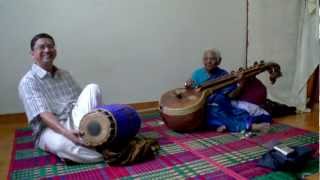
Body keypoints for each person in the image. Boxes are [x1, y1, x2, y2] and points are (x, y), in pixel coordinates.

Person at [18, 33, 104, 163]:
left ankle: (86, 146)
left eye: (50, 46)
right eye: (42, 47)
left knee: (93, 88)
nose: (47, 50)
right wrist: (66, 133)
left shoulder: (65, 74)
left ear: (55, 50)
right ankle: (106, 153)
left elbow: (81, 102)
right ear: (32, 53)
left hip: (74, 118)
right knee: (61, 145)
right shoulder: (28, 81)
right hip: (48, 128)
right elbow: (43, 115)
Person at [185, 48, 271, 133]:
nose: (208, 62)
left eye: (212, 59)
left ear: (219, 61)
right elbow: (191, 94)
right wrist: (187, 86)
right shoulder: (197, 73)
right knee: (205, 115)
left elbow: (231, 96)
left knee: (216, 109)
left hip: (220, 105)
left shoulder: (224, 75)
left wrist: (241, 84)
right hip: (203, 106)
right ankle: (250, 126)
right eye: (206, 59)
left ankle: (219, 124)